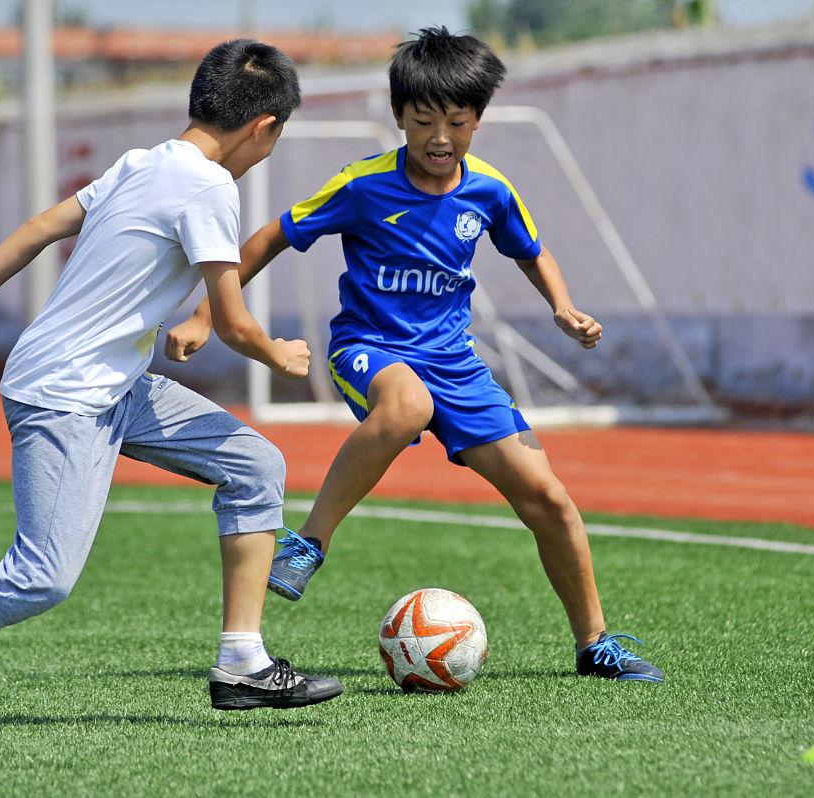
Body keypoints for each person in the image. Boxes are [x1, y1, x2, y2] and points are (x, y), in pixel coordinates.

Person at [0, 39, 344, 739]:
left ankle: (241, 662)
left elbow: (42, 227)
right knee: (40, 577)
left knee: (254, 464)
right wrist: (277, 352)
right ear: (265, 127)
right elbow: (241, 324)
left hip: (111, 384)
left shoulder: (143, 163)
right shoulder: (213, 185)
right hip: (66, 393)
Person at [168, 27, 663, 682]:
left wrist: (561, 306)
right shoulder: (363, 185)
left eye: (456, 122)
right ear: (399, 116)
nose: (439, 136)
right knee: (405, 405)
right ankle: (310, 541)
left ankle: (593, 643)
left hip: (454, 361)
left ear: (477, 121)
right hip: (369, 347)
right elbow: (268, 238)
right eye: (423, 119)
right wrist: (207, 314)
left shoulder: (488, 189)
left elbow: (529, 250)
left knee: (549, 498)